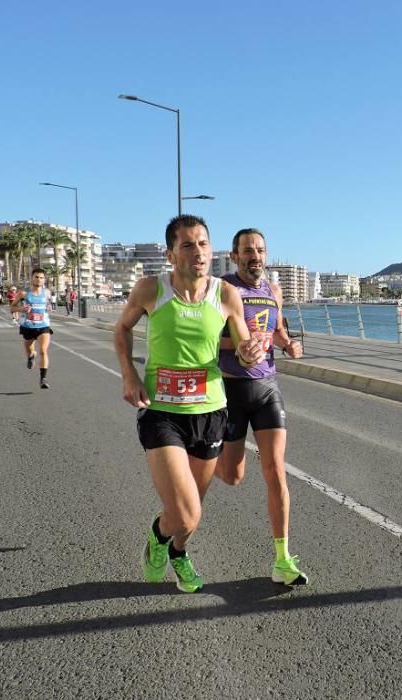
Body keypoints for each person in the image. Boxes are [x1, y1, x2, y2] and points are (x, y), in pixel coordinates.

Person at [114, 214, 266, 593]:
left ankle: (177, 551)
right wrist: (130, 375)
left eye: (202, 243)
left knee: (189, 519)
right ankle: (157, 537)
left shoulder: (225, 294)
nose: (198, 252)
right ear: (170, 254)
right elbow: (122, 328)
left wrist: (250, 351)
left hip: (210, 412)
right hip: (162, 412)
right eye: (187, 245)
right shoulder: (151, 289)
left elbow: (245, 352)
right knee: (186, 512)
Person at [214, 228, 309, 586]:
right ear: (235, 256)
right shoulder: (222, 289)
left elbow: (278, 329)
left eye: (260, 250)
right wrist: (237, 345)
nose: (255, 255)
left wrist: (288, 345)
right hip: (231, 390)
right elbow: (206, 338)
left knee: (275, 470)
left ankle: (282, 559)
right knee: (233, 476)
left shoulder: (273, 290)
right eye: (247, 250)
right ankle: (206, 465)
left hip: (267, 387)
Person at [11, 268, 54, 389]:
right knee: (31, 351)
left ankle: (43, 379)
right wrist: (21, 309)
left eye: (41, 277)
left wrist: (49, 307)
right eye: (36, 277)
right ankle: (31, 357)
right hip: (28, 326)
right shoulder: (23, 294)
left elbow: (48, 304)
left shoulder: (47, 293)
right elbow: (12, 308)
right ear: (32, 278)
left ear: (44, 279)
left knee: (43, 351)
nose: (39, 279)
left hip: (43, 325)